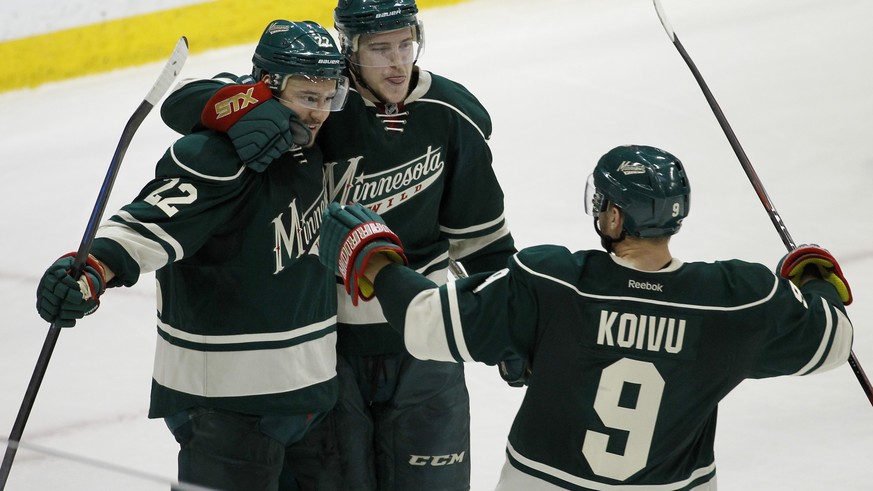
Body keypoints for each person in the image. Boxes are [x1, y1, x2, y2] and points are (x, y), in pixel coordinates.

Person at [317, 144, 855, 490]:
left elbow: (425, 324)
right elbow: (833, 342)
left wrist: (376, 261)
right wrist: (812, 280)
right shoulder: (737, 299)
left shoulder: (552, 282)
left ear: (615, 216)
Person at [158, 1, 526, 489]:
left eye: (404, 44)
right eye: (379, 49)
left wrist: (511, 318)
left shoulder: (452, 113)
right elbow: (185, 101)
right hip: (332, 348)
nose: (397, 62)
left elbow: (482, 240)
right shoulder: (322, 102)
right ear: (350, 49)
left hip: (427, 343)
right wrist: (241, 111)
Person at [35, 20, 351, 491]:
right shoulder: (219, 156)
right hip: (228, 404)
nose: (319, 113)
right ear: (265, 88)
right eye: (308, 97)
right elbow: (149, 222)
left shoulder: (320, 142)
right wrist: (92, 270)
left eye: (330, 98)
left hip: (307, 392)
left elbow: (195, 94)